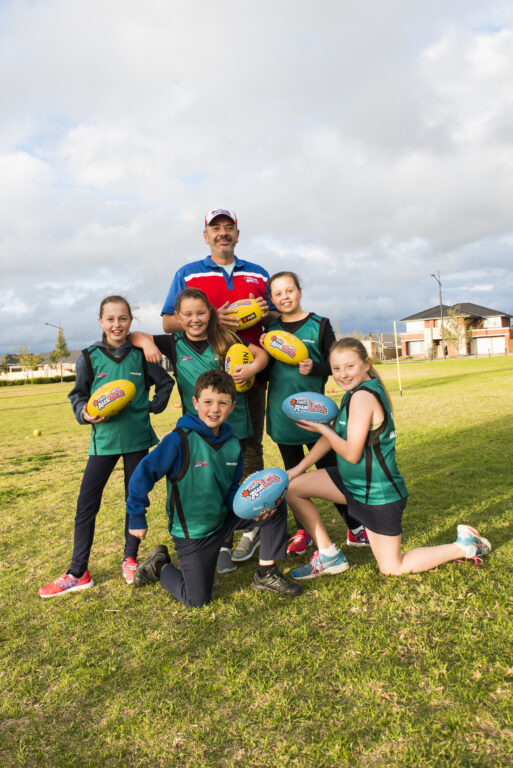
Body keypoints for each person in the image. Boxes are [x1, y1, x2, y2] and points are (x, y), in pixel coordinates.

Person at [285, 337, 491, 580]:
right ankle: (329, 556)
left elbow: (351, 453)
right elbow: (334, 436)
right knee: (293, 487)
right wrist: (298, 468)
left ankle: (465, 545)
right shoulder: (353, 394)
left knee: (393, 567)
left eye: (350, 366)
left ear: (366, 364)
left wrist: (322, 429)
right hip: (352, 483)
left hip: (378, 494)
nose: (342, 374)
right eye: (336, 368)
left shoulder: (363, 397)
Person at [161, 209, 278, 568]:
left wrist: (264, 312)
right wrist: (212, 314)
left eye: (229, 228)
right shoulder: (187, 273)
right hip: (205, 375)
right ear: (206, 235)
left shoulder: (258, 272)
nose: (223, 233)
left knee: (249, 447)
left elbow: (276, 315)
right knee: (211, 453)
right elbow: (168, 322)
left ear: (237, 234)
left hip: (249, 376)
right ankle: (222, 533)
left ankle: (254, 528)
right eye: (216, 228)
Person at [127, 370, 302, 606]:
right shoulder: (179, 440)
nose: (214, 409)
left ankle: (266, 573)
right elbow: (143, 474)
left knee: (273, 502)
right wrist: (136, 515)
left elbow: (230, 491)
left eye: (222, 403)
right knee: (197, 600)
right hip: (193, 533)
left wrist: (251, 505)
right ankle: (160, 566)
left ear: (232, 406)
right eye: (208, 402)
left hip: (223, 520)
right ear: (195, 403)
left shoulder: (233, 445)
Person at [38, 295, 174, 597]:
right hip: (104, 442)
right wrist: (85, 413)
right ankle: (78, 572)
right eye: (110, 319)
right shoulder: (89, 356)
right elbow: (78, 395)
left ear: (130, 321)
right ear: (101, 321)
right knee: (87, 503)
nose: (116, 324)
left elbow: (165, 382)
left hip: (138, 440)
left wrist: (153, 406)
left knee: (134, 498)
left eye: (123, 318)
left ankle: (130, 559)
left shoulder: (140, 354)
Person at [131, 287, 270, 573]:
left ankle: (252, 533)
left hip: (236, 423)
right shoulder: (173, 343)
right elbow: (135, 335)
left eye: (201, 313)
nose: (195, 319)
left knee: (243, 481)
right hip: (199, 433)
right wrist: (146, 344)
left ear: (211, 313)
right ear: (178, 317)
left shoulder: (225, 336)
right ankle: (222, 544)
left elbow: (261, 354)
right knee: (213, 483)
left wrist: (251, 369)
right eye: (188, 314)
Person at [262, 272, 369, 556]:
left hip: (314, 414)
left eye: (289, 290)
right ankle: (304, 532)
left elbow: (336, 364)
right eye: (278, 293)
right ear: (271, 299)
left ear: (300, 292)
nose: (285, 297)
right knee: (293, 474)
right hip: (281, 414)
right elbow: (262, 373)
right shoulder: (270, 330)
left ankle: (355, 526)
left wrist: (316, 367)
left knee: (332, 472)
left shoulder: (320, 324)